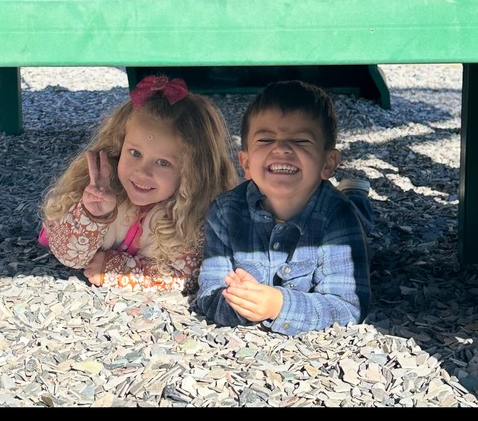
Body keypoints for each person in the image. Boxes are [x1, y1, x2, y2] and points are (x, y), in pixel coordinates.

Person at [196, 79, 374, 335]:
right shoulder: (224, 212)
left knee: (361, 220)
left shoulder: (338, 216)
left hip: (343, 212)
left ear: (328, 163)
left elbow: (348, 307)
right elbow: (210, 293)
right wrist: (241, 303)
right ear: (246, 163)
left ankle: (356, 194)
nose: (280, 148)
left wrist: (279, 306)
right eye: (266, 139)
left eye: (300, 141)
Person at [39, 74, 239, 294]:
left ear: (193, 172)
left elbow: (182, 278)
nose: (142, 172)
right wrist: (91, 215)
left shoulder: (192, 216)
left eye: (163, 162)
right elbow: (69, 257)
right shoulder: (101, 190)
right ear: (118, 147)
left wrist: (116, 269)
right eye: (135, 153)